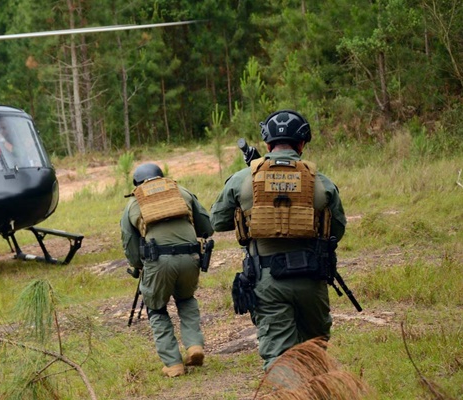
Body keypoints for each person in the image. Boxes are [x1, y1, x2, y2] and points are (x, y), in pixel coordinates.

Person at [209, 110, 347, 371]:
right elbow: (336, 231)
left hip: (267, 278)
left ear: (268, 144)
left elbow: (217, 221)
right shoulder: (321, 181)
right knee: (316, 353)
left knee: (280, 360)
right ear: (302, 144)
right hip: (312, 279)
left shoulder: (244, 178)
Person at [120, 163, 214, 377]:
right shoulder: (182, 192)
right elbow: (207, 228)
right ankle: (194, 346)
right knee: (187, 299)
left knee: (156, 308)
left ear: (137, 184)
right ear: (161, 177)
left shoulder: (134, 203)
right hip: (191, 257)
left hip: (158, 260)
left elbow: (130, 246)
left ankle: (173, 363)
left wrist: (138, 267)